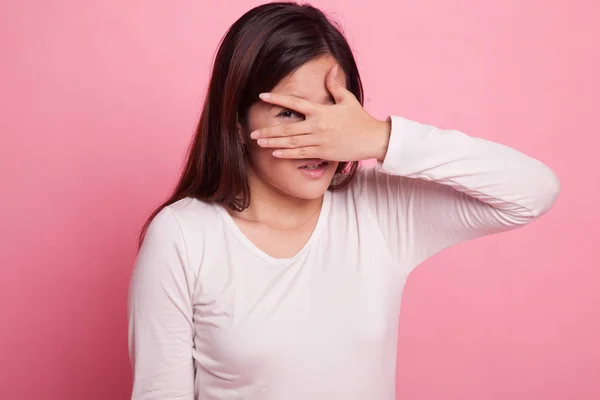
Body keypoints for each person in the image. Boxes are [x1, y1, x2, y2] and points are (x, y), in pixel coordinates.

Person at [127, 2, 560, 399]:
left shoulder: (379, 210)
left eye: (333, 111)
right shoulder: (184, 235)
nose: (321, 139)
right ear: (238, 123)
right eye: (291, 114)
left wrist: (380, 137)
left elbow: (532, 191)